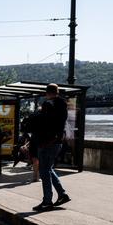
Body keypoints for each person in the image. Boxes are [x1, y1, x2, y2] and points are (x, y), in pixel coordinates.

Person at [33, 83, 70, 212]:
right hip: (57, 141)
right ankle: (62, 194)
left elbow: (45, 124)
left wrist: (39, 114)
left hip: (47, 142)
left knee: (44, 171)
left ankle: (47, 202)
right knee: (48, 168)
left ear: (47, 93)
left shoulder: (49, 105)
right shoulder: (61, 104)